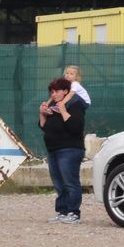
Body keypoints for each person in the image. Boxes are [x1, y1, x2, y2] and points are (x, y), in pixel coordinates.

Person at [40, 77, 86, 224]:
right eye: (51, 92)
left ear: (65, 91)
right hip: (53, 149)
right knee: (59, 184)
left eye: (56, 91)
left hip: (70, 149)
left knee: (70, 182)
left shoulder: (75, 104)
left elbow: (76, 127)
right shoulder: (53, 105)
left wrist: (63, 111)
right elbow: (44, 127)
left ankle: (74, 212)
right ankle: (62, 211)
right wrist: (42, 114)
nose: (53, 94)